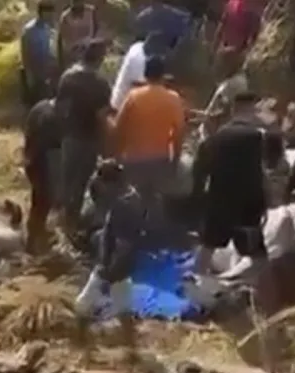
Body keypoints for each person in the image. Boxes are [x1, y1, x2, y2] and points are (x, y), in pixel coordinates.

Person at [75, 159, 147, 362]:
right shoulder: (130, 197)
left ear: (111, 183)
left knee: (82, 304)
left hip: (112, 264)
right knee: (123, 304)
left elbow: (124, 242)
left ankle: (80, 345)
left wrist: (108, 267)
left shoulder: (124, 206)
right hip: (121, 265)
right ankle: (131, 346)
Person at [191, 92, 270, 274]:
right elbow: (268, 172)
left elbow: (199, 170)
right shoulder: (260, 138)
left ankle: (194, 289)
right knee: (258, 258)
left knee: (206, 250)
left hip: (220, 203)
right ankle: (255, 290)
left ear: (234, 110)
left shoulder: (216, 139)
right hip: (250, 206)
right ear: (252, 110)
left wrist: (200, 197)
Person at [113, 56, 184, 230]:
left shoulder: (133, 97)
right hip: (159, 159)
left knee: (135, 200)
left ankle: (132, 235)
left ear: (145, 74)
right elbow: (179, 134)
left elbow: (119, 127)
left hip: (134, 159)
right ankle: (153, 237)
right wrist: (175, 160)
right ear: (163, 75)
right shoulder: (173, 99)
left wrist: (118, 155)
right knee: (155, 201)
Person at [56, 38, 112, 234]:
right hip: (88, 139)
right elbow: (102, 117)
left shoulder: (67, 76)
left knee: (66, 178)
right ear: (100, 59)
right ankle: (71, 224)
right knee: (80, 183)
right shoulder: (100, 83)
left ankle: (61, 218)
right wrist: (106, 146)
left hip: (69, 136)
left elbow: (60, 108)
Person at [23, 97, 62, 253]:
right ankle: (34, 245)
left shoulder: (40, 107)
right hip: (45, 162)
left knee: (38, 203)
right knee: (44, 202)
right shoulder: (56, 117)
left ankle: (33, 240)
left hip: (32, 160)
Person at [110, 32, 165, 111]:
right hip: (122, 108)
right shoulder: (140, 59)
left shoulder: (138, 46)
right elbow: (139, 89)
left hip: (127, 102)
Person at [20, 1, 57, 109]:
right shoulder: (29, 30)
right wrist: (29, 75)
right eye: (49, 13)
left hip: (46, 71)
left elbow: (49, 49)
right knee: (35, 103)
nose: (51, 16)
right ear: (42, 13)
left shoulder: (48, 28)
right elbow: (25, 53)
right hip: (34, 72)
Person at [211, 0, 262, 78]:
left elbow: (253, 39)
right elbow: (221, 26)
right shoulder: (232, 4)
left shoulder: (253, 12)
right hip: (227, 53)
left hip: (236, 56)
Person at [57, 0, 98, 71]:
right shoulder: (66, 16)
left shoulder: (91, 12)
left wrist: (92, 46)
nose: (77, 3)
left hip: (87, 53)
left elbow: (96, 29)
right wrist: (60, 60)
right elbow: (60, 39)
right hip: (72, 54)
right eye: (75, 1)